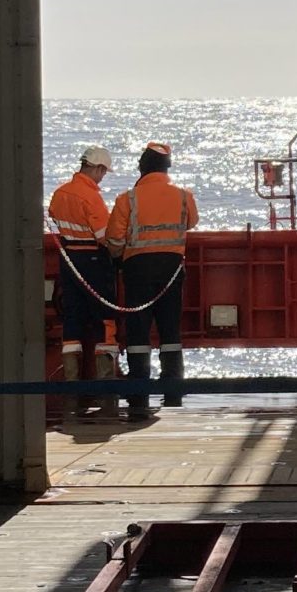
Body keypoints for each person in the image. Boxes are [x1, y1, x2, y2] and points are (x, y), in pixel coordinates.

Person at [107, 141, 199, 410]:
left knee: (138, 328)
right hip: (171, 269)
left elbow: (114, 238)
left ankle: (139, 385)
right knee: (170, 327)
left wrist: (117, 256)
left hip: (137, 269)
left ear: (142, 167)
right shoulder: (183, 195)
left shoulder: (128, 199)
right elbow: (192, 222)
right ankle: (172, 384)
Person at [49, 145, 119, 401]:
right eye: (103, 172)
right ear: (97, 168)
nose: (103, 177)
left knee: (73, 318)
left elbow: (54, 217)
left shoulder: (60, 193)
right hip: (93, 260)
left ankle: (71, 381)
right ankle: (105, 383)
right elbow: (105, 236)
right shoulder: (90, 197)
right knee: (104, 319)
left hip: (69, 260)